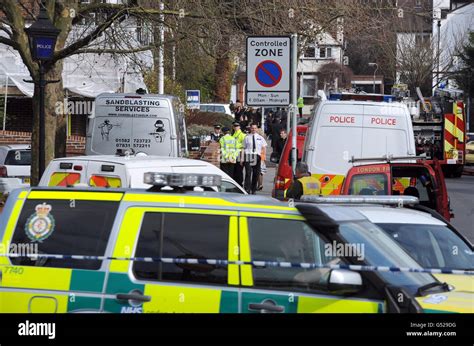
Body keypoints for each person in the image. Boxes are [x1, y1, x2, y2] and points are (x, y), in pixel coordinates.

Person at [243, 124, 267, 194]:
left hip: (257, 156)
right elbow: (243, 148)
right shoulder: (247, 137)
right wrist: (242, 159)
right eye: (252, 128)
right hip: (248, 155)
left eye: (255, 128)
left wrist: (263, 158)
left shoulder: (260, 137)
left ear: (257, 129)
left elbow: (264, 147)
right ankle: (247, 188)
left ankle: (253, 189)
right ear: (250, 129)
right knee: (248, 173)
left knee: (256, 173)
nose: (253, 129)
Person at [232, 122, 246, 187]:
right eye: (234, 126)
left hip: (239, 154)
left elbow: (243, 147)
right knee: (234, 170)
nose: (235, 127)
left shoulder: (242, 135)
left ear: (239, 126)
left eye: (237, 126)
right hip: (233, 155)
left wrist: (242, 158)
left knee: (239, 171)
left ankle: (240, 185)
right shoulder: (233, 134)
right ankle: (236, 185)